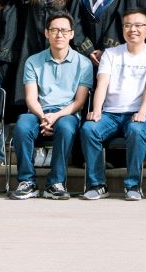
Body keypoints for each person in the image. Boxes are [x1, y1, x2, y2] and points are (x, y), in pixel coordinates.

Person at [78, 9, 146, 201]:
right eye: (128, 25)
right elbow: (102, 84)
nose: (133, 29)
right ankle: (97, 184)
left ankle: (133, 185)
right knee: (89, 129)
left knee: (135, 129)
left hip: (142, 113)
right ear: (122, 29)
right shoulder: (111, 54)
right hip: (110, 114)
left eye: (138, 25)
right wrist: (97, 111)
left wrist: (142, 112)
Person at [8, 12, 93, 200]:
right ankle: (27, 182)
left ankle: (55, 182)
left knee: (66, 127)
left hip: (67, 113)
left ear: (72, 34)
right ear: (47, 33)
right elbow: (31, 98)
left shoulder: (84, 63)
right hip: (38, 112)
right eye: (54, 30)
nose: (59, 35)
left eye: (64, 30)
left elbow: (79, 102)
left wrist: (55, 116)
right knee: (22, 126)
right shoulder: (33, 61)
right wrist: (43, 117)